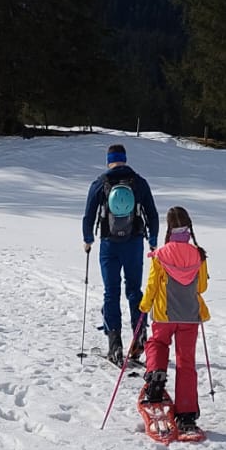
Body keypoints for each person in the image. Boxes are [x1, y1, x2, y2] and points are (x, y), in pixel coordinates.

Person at [82, 143, 160, 364]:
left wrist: (88, 240)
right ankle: (140, 335)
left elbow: (88, 216)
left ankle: (114, 344)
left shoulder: (101, 183)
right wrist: (152, 240)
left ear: (109, 160)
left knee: (111, 291)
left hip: (109, 244)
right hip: (134, 242)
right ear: (125, 158)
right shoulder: (139, 182)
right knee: (134, 289)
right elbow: (152, 214)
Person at [139, 205, 209, 436]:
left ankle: (156, 374)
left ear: (169, 228)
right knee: (186, 362)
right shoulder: (198, 254)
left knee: (157, 344)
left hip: (163, 314)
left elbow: (151, 284)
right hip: (189, 316)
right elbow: (202, 287)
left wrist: (144, 305)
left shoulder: (161, 254)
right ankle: (187, 413)